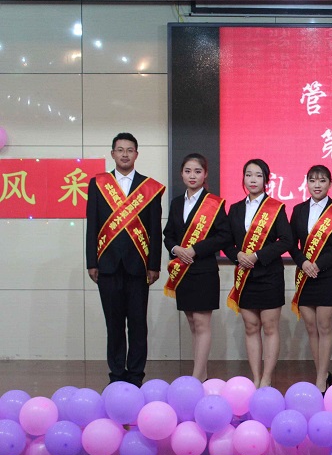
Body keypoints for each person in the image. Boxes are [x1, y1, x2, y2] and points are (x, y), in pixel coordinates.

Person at [86, 132, 164, 387]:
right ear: (113, 154)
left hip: (138, 266)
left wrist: (154, 265)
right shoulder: (98, 184)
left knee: (138, 324)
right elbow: (92, 225)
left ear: (136, 154)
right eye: (120, 150)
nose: (125, 154)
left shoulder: (149, 188)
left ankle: (136, 376)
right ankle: (117, 375)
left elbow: (154, 229)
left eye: (130, 150)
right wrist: (92, 262)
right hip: (107, 266)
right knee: (114, 324)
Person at [224, 159, 292, 388]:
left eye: (258, 175)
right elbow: (226, 241)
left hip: (269, 275)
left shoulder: (276, 208)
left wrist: (257, 256)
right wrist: (237, 255)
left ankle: (267, 378)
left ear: (266, 180)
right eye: (248, 175)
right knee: (251, 327)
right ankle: (255, 377)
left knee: (270, 328)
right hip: (245, 277)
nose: (253, 180)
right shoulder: (235, 209)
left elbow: (286, 240)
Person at [163, 153, 231, 382]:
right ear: (182, 174)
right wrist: (175, 248)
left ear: (205, 174)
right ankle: (202, 373)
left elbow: (224, 236)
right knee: (193, 323)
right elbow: (168, 235)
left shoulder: (214, 203)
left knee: (202, 323)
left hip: (204, 270)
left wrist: (195, 250)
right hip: (183, 273)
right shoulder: (176, 203)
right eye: (188, 171)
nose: (192, 176)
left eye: (197, 171)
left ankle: (196, 377)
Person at [289, 165, 332, 393]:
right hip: (304, 275)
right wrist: (303, 262)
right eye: (313, 180)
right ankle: (322, 373)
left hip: (327, 275)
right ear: (307, 183)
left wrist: (319, 264)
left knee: (324, 326)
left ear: (330, 184)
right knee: (310, 327)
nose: (317, 185)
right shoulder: (298, 210)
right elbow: (290, 242)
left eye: (322, 180)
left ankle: (320, 379)